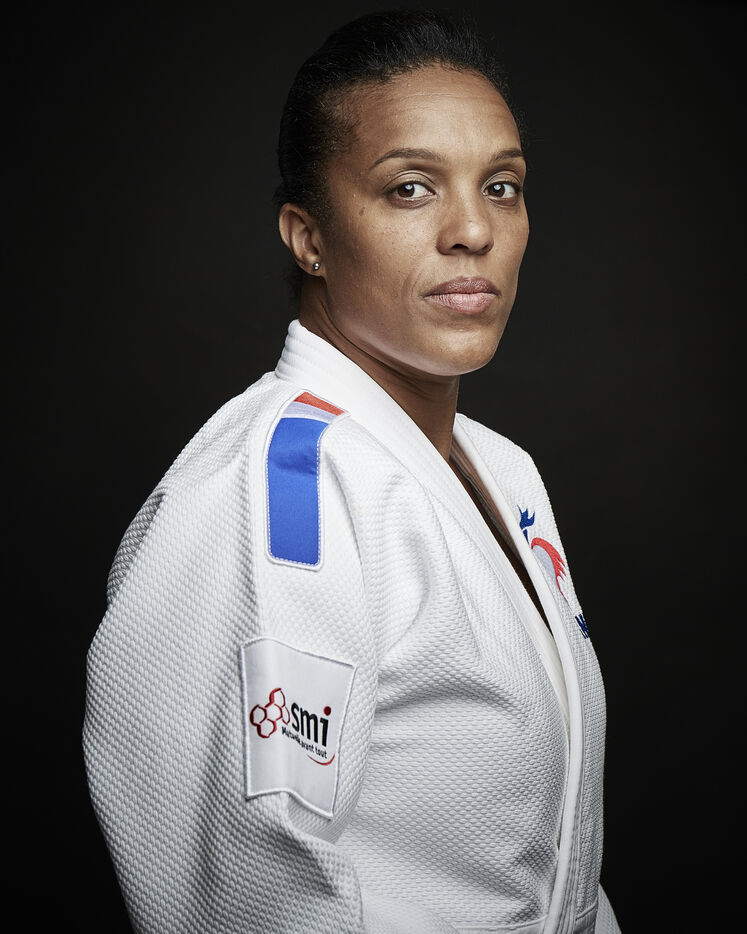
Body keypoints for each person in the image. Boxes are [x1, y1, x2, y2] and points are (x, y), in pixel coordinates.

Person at [83, 10, 621, 934]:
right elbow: (245, 900)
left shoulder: (504, 471)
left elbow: (551, 875)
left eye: (501, 186)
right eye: (410, 188)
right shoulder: (272, 494)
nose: (472, 230)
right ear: (308, 237)